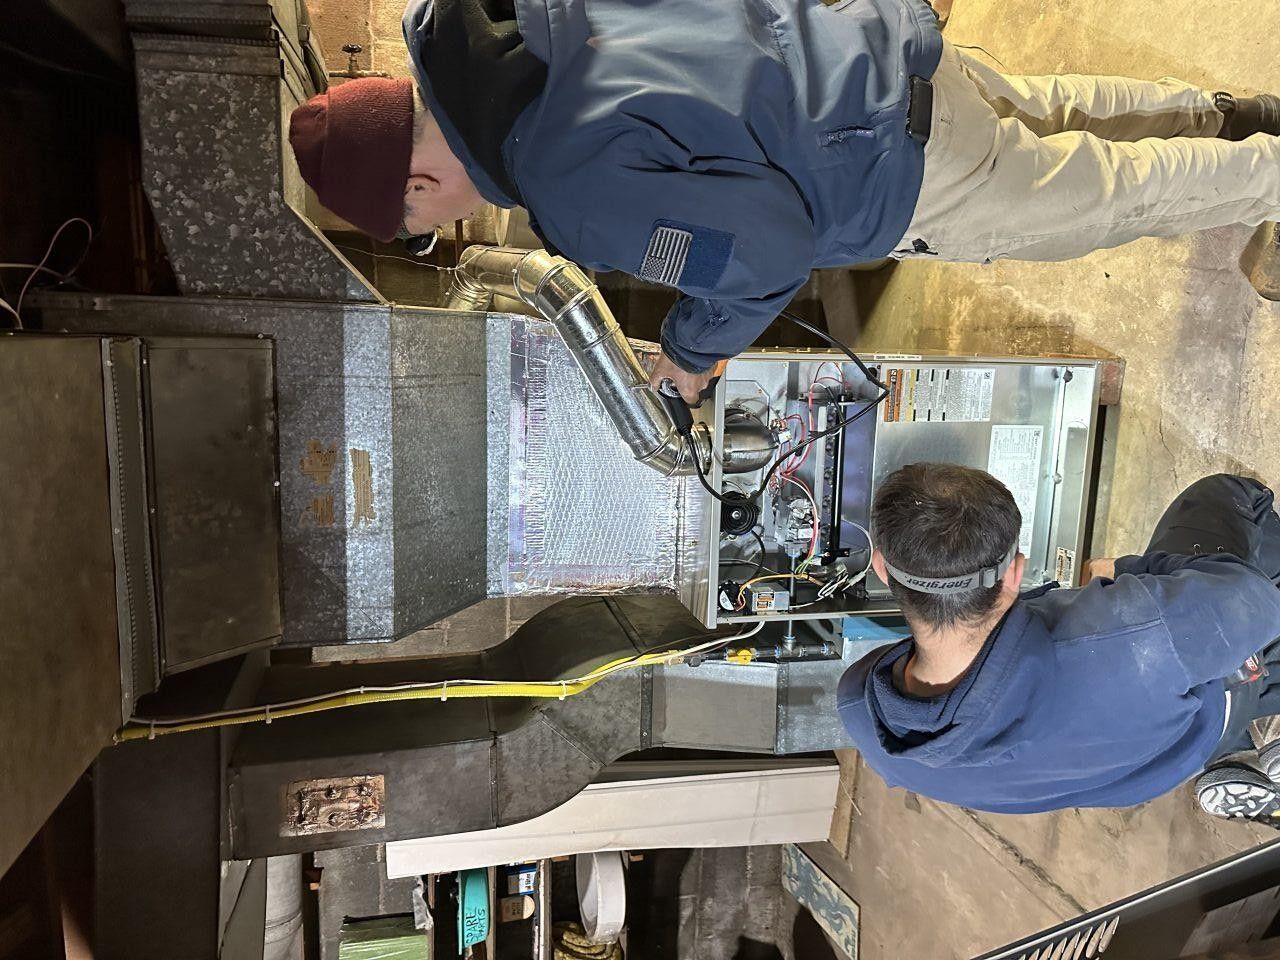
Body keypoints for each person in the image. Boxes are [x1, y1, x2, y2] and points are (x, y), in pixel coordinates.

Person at [288, 0, 1280, 405]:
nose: (435, 229)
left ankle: (1267, 166)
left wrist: (686, 355)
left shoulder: (566, 189)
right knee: (1061, 110)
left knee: (1101, 199)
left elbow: (762, 249)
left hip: (890, 169)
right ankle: (1232, 116)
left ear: (416, 186)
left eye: (418, 224)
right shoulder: (543, 25)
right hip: (875, 56)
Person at [836, 466, 1280, 824]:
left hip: (1147, 768)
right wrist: (1134, 574)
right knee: (1226, 496)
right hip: (1206, 716)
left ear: (881, 568)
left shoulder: (861, 709)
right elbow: (1256, 603)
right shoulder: (1131, 634)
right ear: (1015, 573)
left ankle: (1246, 761)